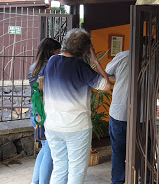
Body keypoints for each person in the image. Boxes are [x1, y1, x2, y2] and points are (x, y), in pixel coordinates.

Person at [39, 28, 111, 184]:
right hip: (76, 127)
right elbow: (106, 86)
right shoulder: (82, 67)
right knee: (76, 170)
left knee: (59, 168)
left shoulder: (52, 61)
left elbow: (42, 84)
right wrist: (95, 61)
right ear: (86, 50)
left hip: (52, 125)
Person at [28, 38, 61, 184]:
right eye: (58, 51)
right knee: (50, 152)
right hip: (47, 112)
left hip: (35, 111)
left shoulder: (34, 67)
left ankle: (36, 182)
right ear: (51, 51)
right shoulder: (51, 67)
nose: (59, 54)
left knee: (44, 148)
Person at [105, 50, 130, 184]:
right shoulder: (154, 59)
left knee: (118, 152)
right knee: (144, 152)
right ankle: (145, 178)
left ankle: (118, 181)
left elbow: (107, 72)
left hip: (119, 112)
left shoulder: (124, 56)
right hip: (142, 116)